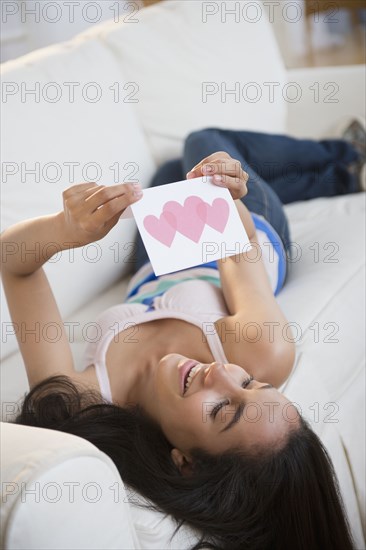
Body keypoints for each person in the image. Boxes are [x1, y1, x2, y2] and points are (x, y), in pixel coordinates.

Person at [2, 124, 364, 550]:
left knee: (173, 168)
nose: (224, 374)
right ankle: (345, 155)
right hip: (248, 237)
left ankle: (341, 169)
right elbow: (241, 240)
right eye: (249, 384)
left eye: (223, 410)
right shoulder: (264, 352)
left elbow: (13, 264)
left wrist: (63, 229)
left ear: (186, 465)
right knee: (201, 146)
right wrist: (227, 195)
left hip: (156, 255)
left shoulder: (82, 402)